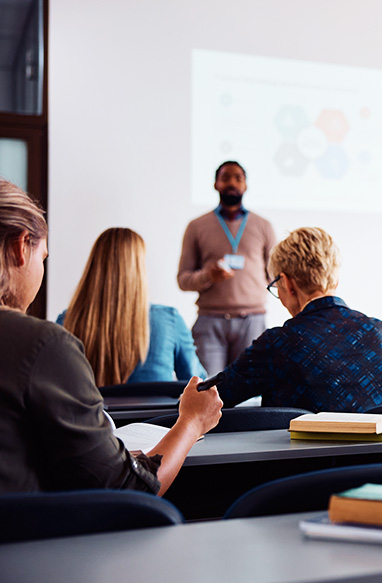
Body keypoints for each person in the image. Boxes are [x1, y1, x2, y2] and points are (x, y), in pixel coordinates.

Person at [0, 179, 222, 495]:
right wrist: (192, 422)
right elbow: (127, 487)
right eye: (44, 257)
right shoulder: (42, 345)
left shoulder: (67, 321)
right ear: (21, 248)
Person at [216, 227, 382, 411]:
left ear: (286, 283)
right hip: (378, 453)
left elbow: (209, 400)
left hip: (300, 453)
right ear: (336, 279)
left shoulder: (277, 344)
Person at [58, 228, 206, 386]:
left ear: (93, 267)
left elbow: (55, 384)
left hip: (92, 412)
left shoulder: (67, 322)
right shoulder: (169, 320)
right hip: (156, 412)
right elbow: (198, 383)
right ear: (138, 268)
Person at [177, 161, 277, 375]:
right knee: (208, 390)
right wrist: (208, 276)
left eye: (238, 178)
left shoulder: (263, 226)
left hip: (252, 321)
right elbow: (183, 280)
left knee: (250, 396)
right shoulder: (197, 226)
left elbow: (276, 276)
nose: (232, 182)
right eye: (225, 177)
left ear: (246, 185)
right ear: (216, 184)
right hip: (210, 322)